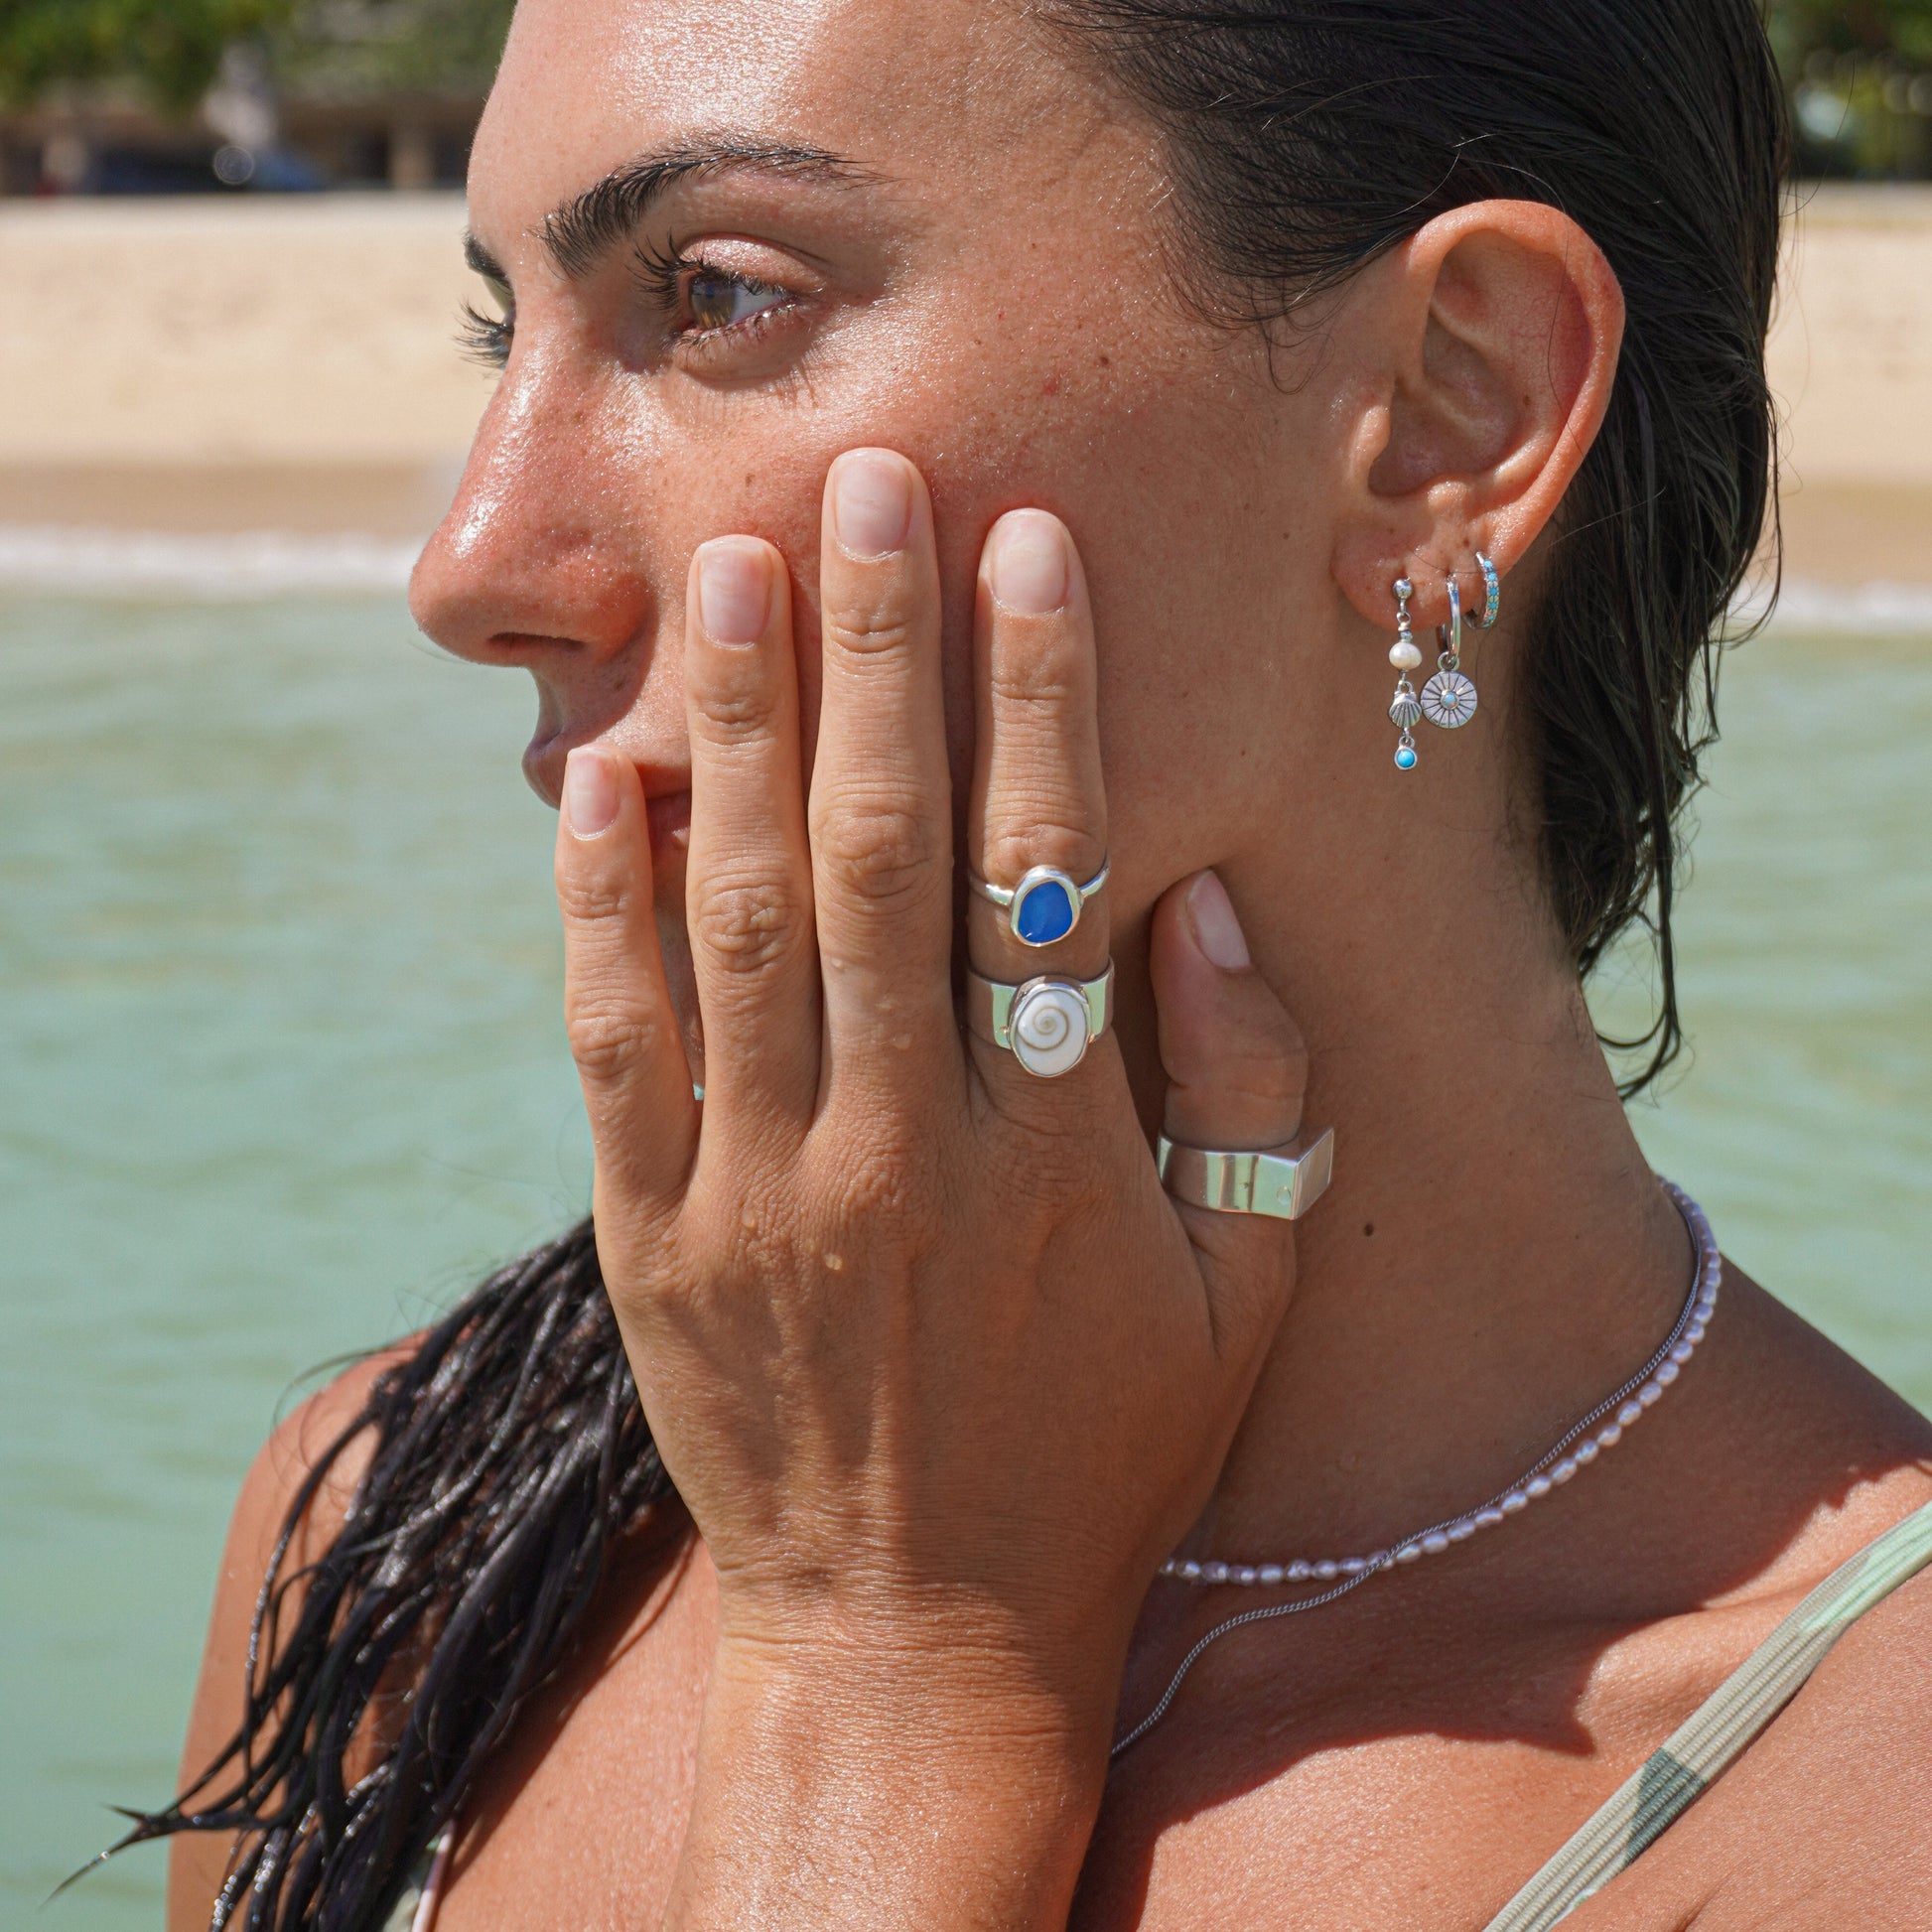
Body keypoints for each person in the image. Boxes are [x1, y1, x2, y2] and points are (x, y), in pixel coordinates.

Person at [143, 1, 1932, 1927]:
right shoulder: (407, 1544)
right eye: (506, 330)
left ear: (1450, 405)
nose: (473, 565)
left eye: (719, 294)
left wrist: (888, 1685)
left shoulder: (1856, 1809)